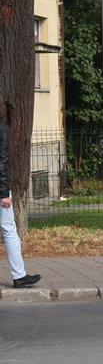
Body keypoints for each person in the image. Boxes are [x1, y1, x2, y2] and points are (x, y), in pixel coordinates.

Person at [0, 102, 41, 289]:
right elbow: (2, 163)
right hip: (0, 190)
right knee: (9, 231)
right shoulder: (3, 130)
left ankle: (20, 275)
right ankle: (19, 275)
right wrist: (4, 194)